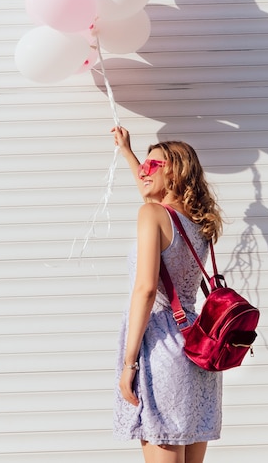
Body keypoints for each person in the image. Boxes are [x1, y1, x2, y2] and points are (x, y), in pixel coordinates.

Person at [111, 126, 224, 463]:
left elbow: (146, 289)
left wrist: (129, 363)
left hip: (161, 347)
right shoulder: (196, 222)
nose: (144, 171)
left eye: (154, 165)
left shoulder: (152, 215)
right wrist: (128, 153)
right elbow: (153, 196)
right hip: (197, 347)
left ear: (176, 173)